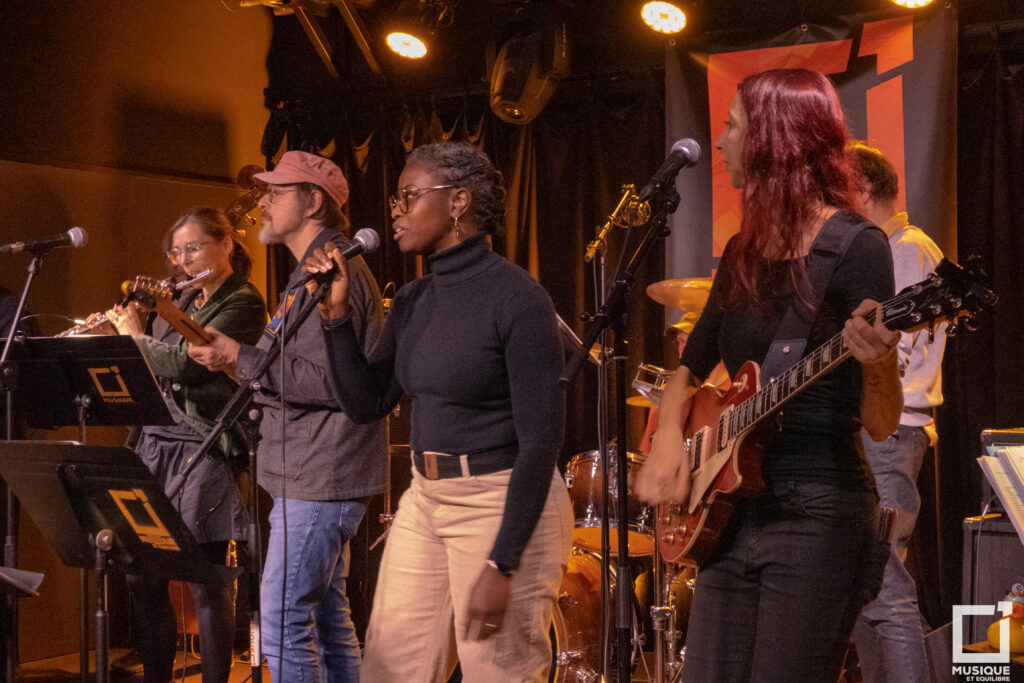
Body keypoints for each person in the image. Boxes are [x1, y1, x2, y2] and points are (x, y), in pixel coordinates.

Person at [635, 68, 904, 682]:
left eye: (732, 126)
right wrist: (671, 438)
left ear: (774, 141)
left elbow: (883, 424)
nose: (722, 141)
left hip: (817, 509)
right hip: (734, 513)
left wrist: (881, 361)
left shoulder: (858, 247)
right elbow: (686, 371)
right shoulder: (742, 252)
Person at [303, 141, 573, 681]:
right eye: (395, 198)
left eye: (408, 196)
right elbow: (366, 403)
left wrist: (504, 561)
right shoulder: (412, 299)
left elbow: (542, 443)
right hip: (426, 498)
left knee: (499, 672)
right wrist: (334, 321)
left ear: (458, 202)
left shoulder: (518, 299)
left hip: (502, 498)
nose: (396, 210)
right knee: (388, 670)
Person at [187, 151, 386, 682]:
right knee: (326, 616)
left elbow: (331, 383)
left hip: (321, 476)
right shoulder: (311, 272)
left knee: (279, 622)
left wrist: (237, 357)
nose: (264, 203)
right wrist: (232, 361)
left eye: (276, 193)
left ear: (314, 201)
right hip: (308, 472)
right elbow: (287, 369)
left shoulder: (334, 273)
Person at [105, 207, 268, 683]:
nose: (181, 259)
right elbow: (150, 373)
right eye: (175, 251)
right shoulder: (184, 300)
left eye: (193, 247)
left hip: (204, 444)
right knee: (142, 574)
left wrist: (134, 335)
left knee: (204, 578)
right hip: (154, 444)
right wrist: (119, 336)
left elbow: (186, 367)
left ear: (227, 246)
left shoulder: (242, 301)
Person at [849, 143, 946, 683]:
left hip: (892, 433)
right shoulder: (894, 249)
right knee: (866, 584)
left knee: (884, 584)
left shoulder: (906, 249)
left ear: (863, 187)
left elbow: (896, 352)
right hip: (883, 434)